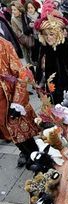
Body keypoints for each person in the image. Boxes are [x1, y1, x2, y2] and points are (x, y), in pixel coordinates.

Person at [35, 2, 68, 104]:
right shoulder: (44, 48)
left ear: (58, 34)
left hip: (67, 92)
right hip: (50, 90)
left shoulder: (64, 47)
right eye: (45, 35)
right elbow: (40, 70)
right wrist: (39, 83)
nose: (48, 37)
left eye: (51, 34)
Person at [0, 37, 39, 167]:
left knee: (24, 136)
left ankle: (41, 163)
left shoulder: (4, 44)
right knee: (11, 136)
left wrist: (18, 101)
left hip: (10, 99)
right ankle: (28, 156)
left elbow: (22, 73)